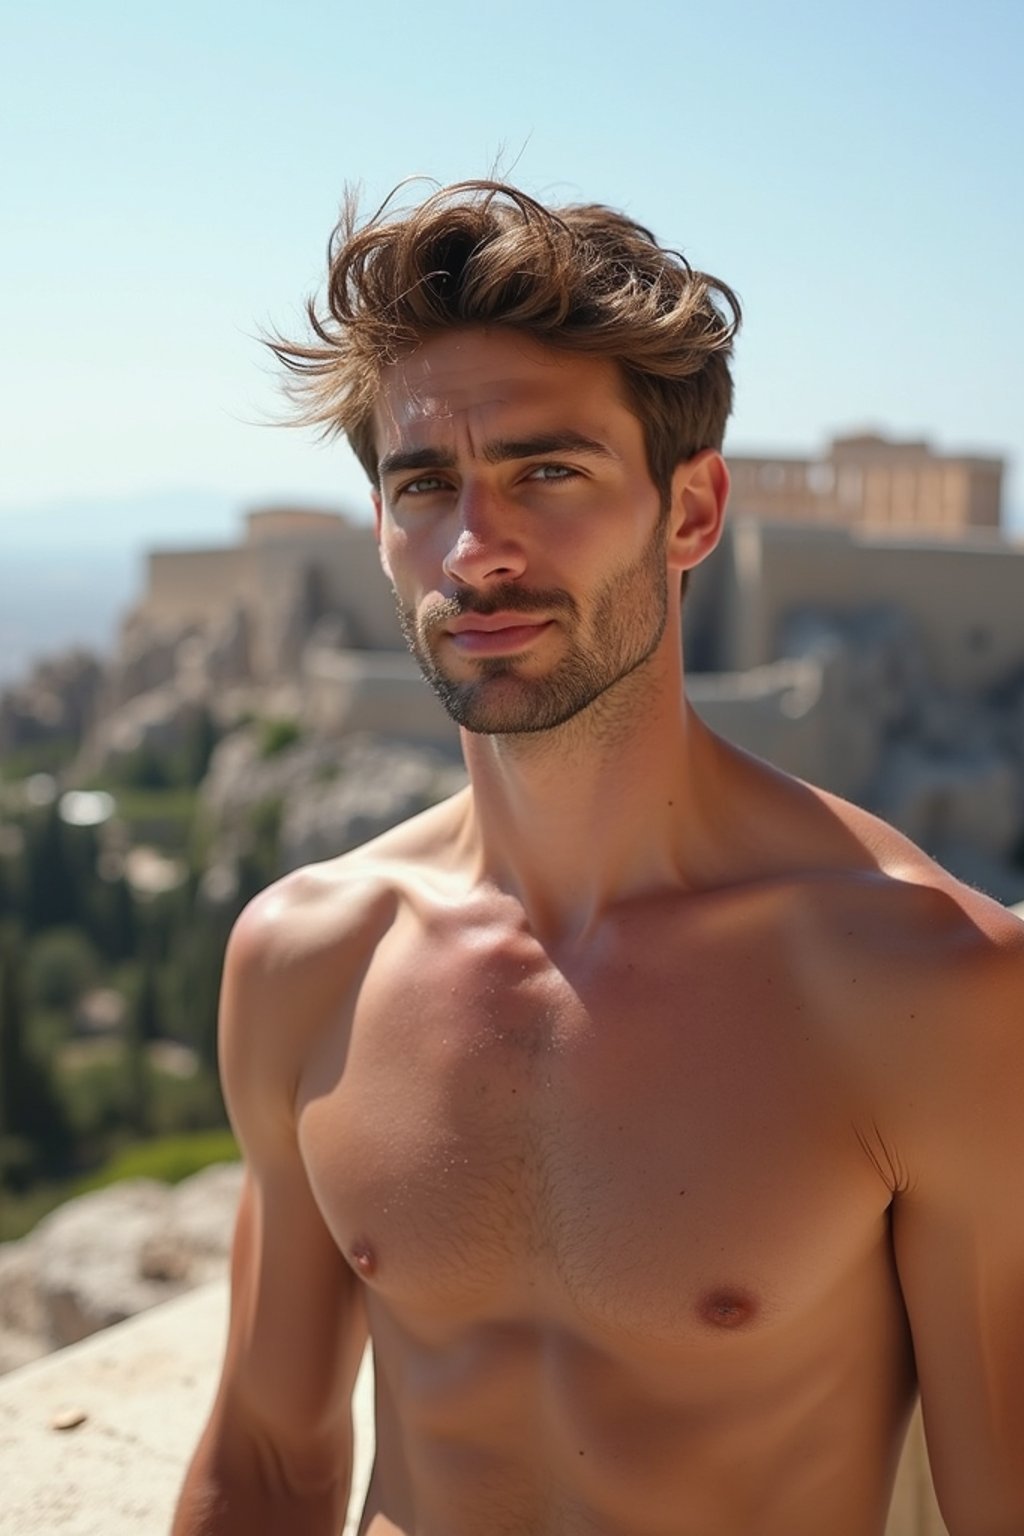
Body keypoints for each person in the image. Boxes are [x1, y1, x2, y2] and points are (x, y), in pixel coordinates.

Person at [172, 182, 1024, 1536]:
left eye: (545, 471)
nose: (475, 549)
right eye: (424, 486)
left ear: (691, 515)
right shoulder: (307, 959)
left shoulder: (928, 986)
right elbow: (269, 1463)